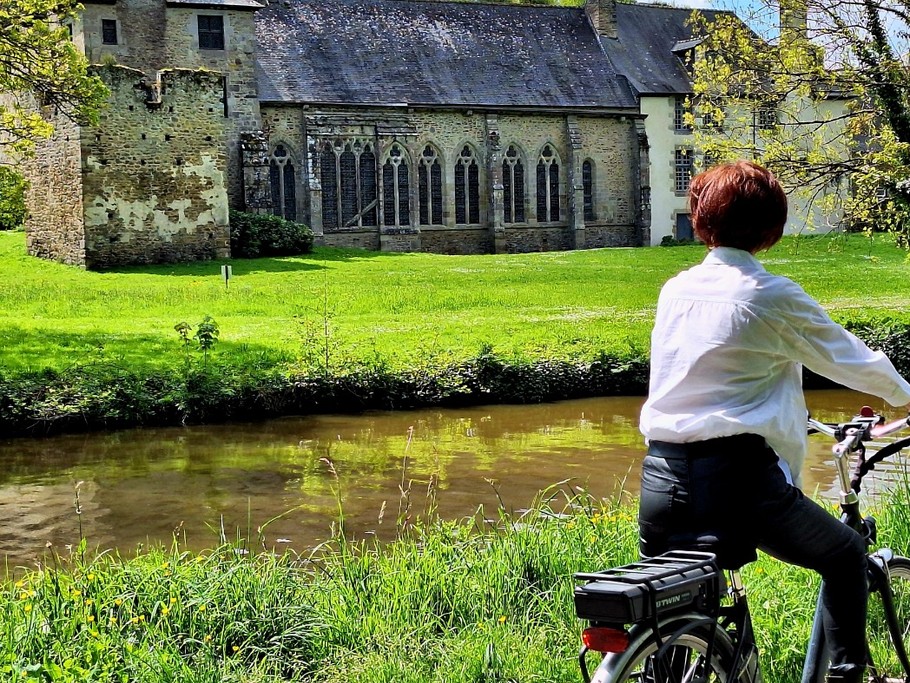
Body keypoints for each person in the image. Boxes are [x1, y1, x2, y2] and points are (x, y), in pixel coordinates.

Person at [638, 160, 910, 683]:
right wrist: (905, 397)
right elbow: (848, 359)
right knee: (846, 554)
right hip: (737, 480)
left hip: (663, 475)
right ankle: (848, 674)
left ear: (699, 218)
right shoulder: (769, 293)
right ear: (771, 227)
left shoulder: (675, 289)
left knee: (675, 612)